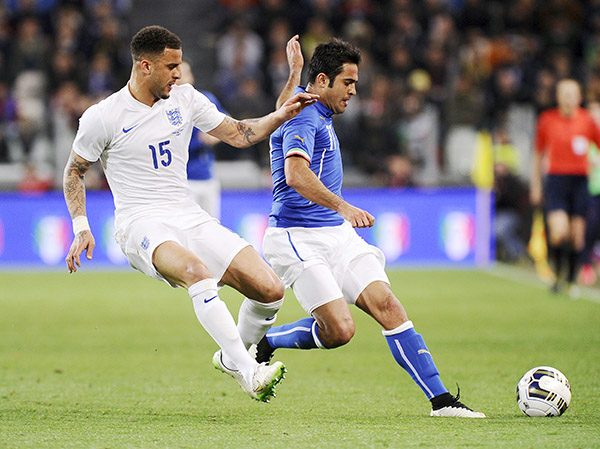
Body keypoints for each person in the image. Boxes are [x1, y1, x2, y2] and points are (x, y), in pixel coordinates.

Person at [63, 26, 318, 402]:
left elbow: (239, 133)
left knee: (270, 291)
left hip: (187, 214)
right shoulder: (104, 116)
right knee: (198, 274)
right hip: (140, 223)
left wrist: (282, 113)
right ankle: (249, 371)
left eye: (179, 65)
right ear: (145, 66)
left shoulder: (185, 98)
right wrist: (80, 226)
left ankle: (232, 359)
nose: (178, 74)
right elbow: (74, 171)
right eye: (171, 66)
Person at [254, 35, 485, 417]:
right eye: (348, 82)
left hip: (337, 236)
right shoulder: (307, 117)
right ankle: (271, 339)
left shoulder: (304, 103)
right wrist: (343, 205)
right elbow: (296, 173)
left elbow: (282, 108)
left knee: (388, 305)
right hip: (297, 237)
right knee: (340, 331)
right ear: (324, 80)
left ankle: (442, 401)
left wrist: (295, 71)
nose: (354, 91)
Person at [530, 79, 600, 296]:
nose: (568, 98)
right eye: (564, 93)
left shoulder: (587, 121)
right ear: (558, 96)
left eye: (572, 94)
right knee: (558, 233)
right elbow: (538, 154)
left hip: (580, 182)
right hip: (557, 179)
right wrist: (536, 185)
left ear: (579, 97)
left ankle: (570, 279)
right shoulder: (547, 119)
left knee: (576, 236)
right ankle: (559, 274)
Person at [177, 60, 223, 218]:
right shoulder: (167, 105)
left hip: (207, 175)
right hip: (183, 181)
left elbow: (226, 121)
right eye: (180, 75)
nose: (184, 78)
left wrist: (215, 136)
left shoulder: (204, 99)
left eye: (187, 74)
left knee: (214, 225)